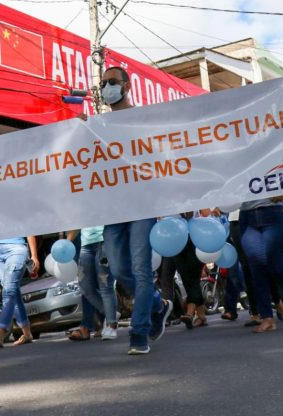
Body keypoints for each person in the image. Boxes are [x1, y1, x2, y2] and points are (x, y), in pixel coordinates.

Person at [96, 66, 172, 355]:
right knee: (118, 269)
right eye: (103, 83)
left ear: (127, 86)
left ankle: (139, 333)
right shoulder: (97, 124)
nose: (106, 88)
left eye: (112, 82)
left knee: (141, 270)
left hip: (142, 204)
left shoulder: (144, 119)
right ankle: (158, 305)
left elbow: (159, 157)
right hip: (113, 209)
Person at [239, 196, 283, 333]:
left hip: (272, 211)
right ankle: (267, 318)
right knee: (256, 267)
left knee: (274, 264)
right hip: (246, 215)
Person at [0, 236, 39, 347]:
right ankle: (27, 333)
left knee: (9, 291)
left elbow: (29, 229)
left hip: (16, 249)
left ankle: (0, 332)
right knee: (13, 291)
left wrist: (34, 255)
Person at [68, 226, 119, 341]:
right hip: (85, 244)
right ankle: (111, 314)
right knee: (85, 287)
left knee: (105, 286)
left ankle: (111, 325)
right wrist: (67, 242)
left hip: (104, 241)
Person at [160, 212, 208, 329]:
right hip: (174, 237)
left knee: (191, 275)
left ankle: (190, 314)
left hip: (192, 235)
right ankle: (201, 315)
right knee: (187, 276)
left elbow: (190, 213)